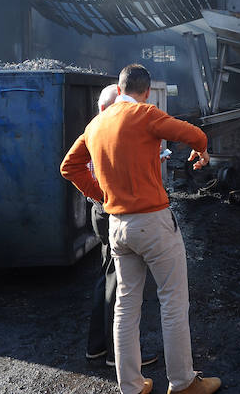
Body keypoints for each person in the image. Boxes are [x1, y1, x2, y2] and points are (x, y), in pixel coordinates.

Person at [61, 64, 221, 394]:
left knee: (125, 307)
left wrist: (101, 194)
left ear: (119, 90)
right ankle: (182, 383)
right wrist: (201, 150)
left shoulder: (95, 125)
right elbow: (195, 134)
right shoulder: (147, 114)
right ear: (146, 91)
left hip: (117, 226)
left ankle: (132, 386)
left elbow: (69, 167)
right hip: (153, 223)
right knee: (174, 303)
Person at [85, 83, 159, 369]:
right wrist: (105, 196)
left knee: (106, 277)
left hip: (99, 210)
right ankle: (118, 355)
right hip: (110, 210)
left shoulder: (94, 129)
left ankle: (96, 347)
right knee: (120, 283)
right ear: (107, 107)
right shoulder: (103, 132)